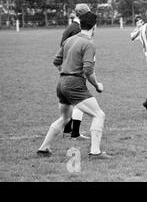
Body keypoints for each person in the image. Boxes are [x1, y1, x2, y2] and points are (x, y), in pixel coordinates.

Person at [37, 12, 111, 159]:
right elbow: (88, 70)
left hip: (61, 82)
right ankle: (95, 152)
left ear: (81, 24)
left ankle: (44, 148)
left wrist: (67, 73)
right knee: (99, 114)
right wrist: (97, 85)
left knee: (65, 118)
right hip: (74, 84)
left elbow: (56, 62)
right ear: (94, 26)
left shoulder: (69, 40)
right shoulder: (89, 44)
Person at [60, 3, 91, 140]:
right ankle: (75, 133)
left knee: (70, 102)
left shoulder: (71, 27)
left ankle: (68, 130)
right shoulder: (78, 29)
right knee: (80, 101)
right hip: (75, 70)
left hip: (67, 69)